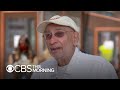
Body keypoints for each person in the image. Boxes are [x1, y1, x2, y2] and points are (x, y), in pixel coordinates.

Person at [31, 15, 118, 79]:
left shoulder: (99, 68)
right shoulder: (41, 71)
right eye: (48, 35)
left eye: (59, 34)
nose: (51, 41)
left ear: (75, 38)